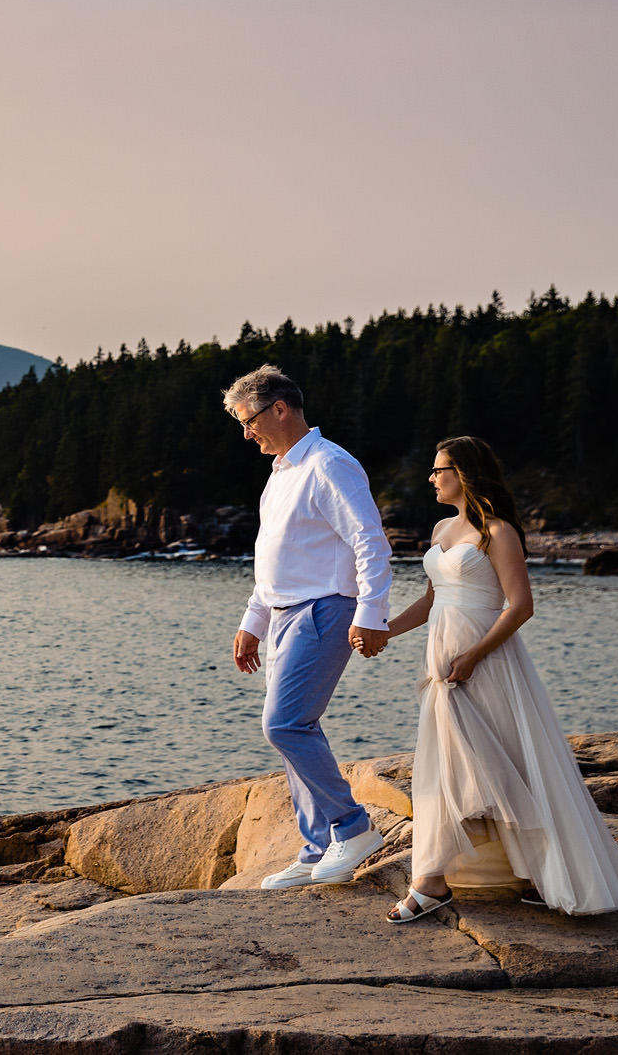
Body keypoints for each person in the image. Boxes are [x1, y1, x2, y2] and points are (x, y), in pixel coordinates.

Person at [365, 435, 618, 922]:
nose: (432, 477)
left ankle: (436, 883)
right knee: (457, 762)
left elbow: (521, 606)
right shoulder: (442, 528)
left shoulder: (498, 531)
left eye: (439, 468)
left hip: (484, 659)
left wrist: (473, 655)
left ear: (464, 473)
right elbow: (431, 601)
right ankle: (478, 876)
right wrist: (384, 631)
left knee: (499, 760)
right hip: (442, 657)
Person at [225, 365, 394, 888]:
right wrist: (252, 620)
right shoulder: (280, 473)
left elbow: (371, 544)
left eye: (248, 420)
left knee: (285, 724)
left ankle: (353, 826)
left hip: (325, 609)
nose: (246, 433)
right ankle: (318, 844)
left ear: (280, 409)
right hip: (283, 613)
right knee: (296, 729)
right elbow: (277, 559)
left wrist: (371, 615)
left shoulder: (329, 464)